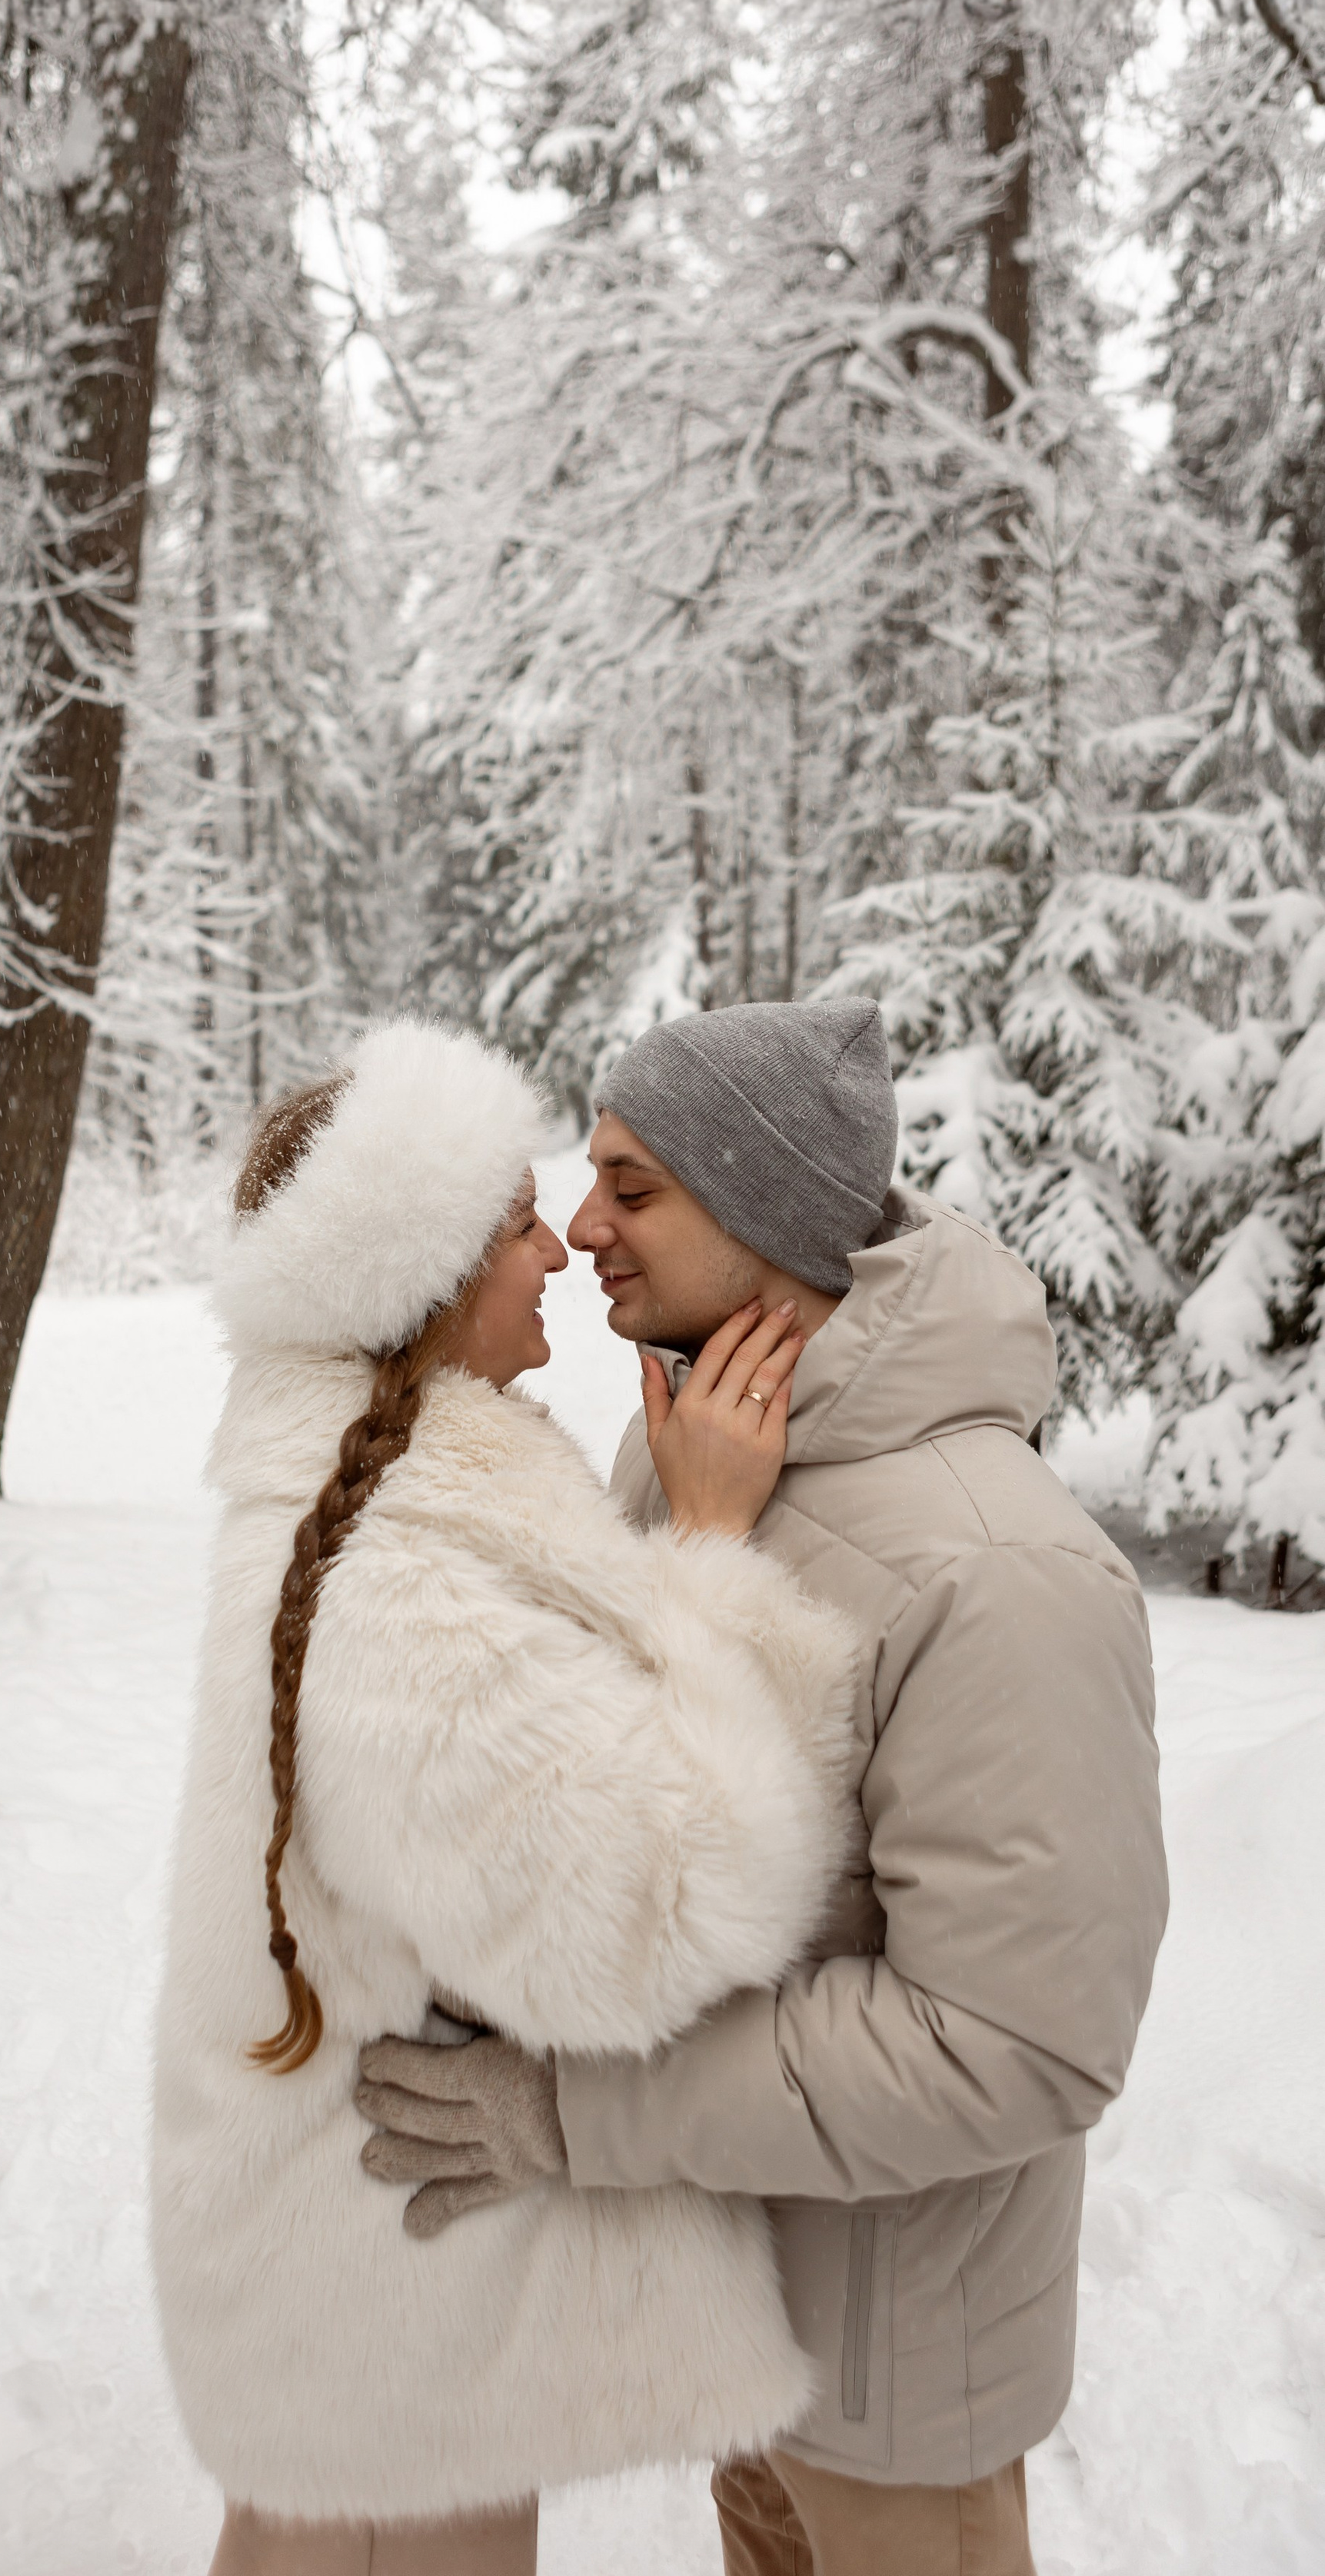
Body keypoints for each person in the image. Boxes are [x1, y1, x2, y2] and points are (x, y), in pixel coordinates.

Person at [355, 997, 1170, 2576]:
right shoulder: (679, 1460)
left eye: (632, 1187)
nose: (580, 1224)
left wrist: (567, 2111)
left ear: (766, 1209)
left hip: (888, 2380)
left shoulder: (998, 1573)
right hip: (731, 2309)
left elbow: (1011, 2044)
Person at [151, 1017, 862, 2574]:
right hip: (397, 2308)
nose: (557, 1250)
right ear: (417, 1284)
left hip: (356, 2275)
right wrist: (713, 1561)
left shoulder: (375, 1509)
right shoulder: (401, 1590)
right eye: (515, 1223)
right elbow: (659, 1913)